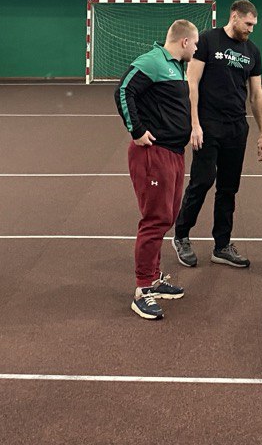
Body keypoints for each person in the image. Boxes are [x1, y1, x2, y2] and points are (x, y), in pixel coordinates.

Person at [172, 0, 262, 270]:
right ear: (234, 16)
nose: (251, 29)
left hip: (236, 128)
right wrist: (195, 124)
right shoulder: (208, 40)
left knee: (228, 188)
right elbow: (192, 82)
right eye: (248, 24)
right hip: (208, 125)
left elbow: (257, 95)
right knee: (202, 180)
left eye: (254, 25)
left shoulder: (252, 51)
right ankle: (181, 235)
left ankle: (222, 245)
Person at [115, 20, 200, 321]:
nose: (197, 48)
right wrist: (137, 130)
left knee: (167, 217)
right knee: (154, 220)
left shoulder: (176, 66)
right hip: (153, 154)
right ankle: (142, 289)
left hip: (174, 153)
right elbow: (123, 90)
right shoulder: (152, 61)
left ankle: (153, 278)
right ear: (185, 41)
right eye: (195, 43)